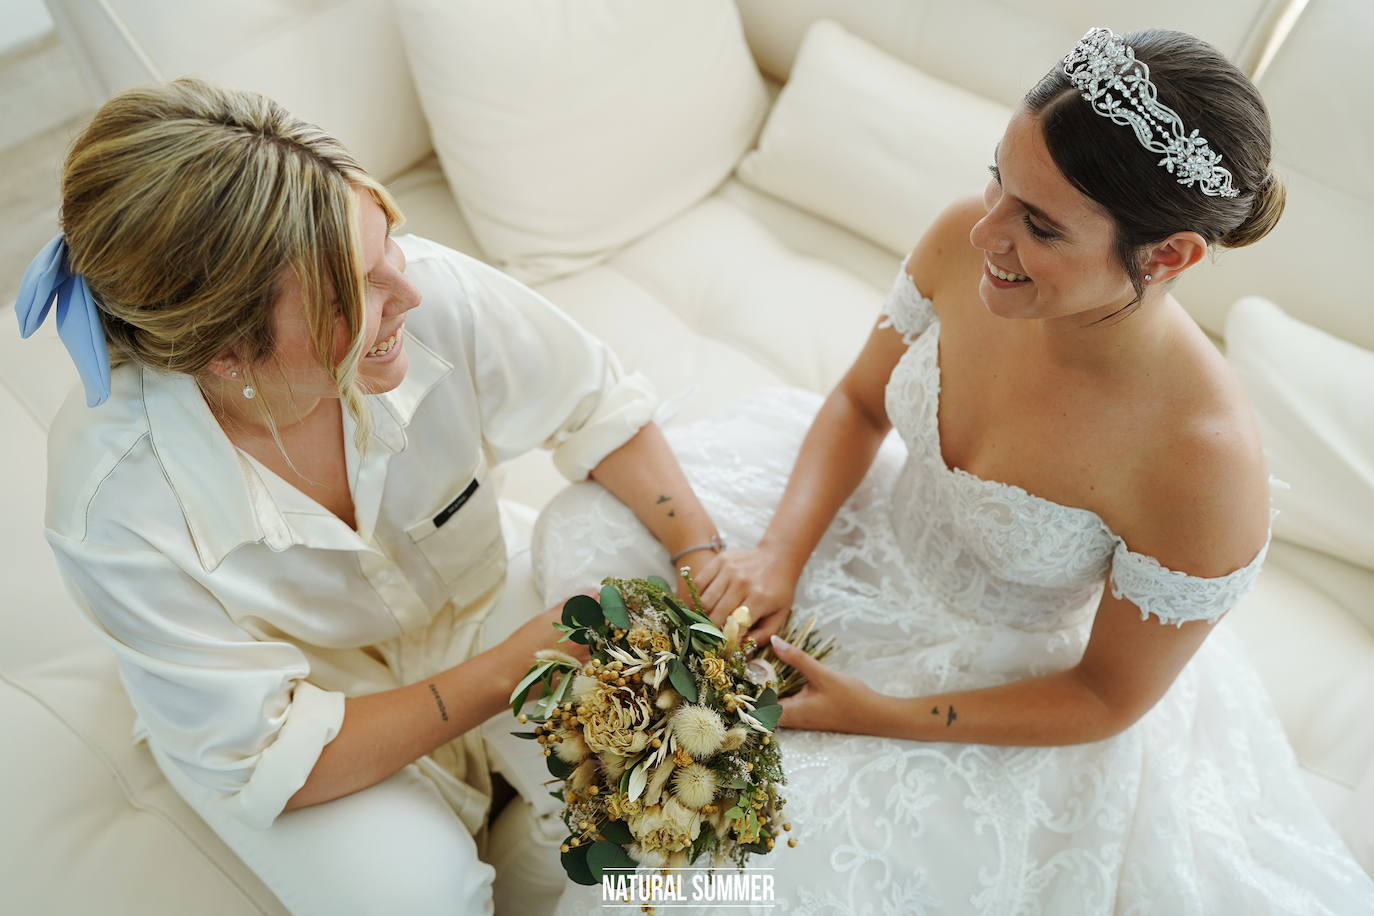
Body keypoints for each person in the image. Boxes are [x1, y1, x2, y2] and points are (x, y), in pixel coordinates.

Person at [534, 28, 1374, 913]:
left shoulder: (1201, 463)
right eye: (996, 182)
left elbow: (1106, 693)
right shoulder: (963, 243)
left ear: (1168, 256)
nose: (986, 233)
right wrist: (780, 554)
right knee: (588, 542)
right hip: (858, 533)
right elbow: (861, 405)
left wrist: (880, 716)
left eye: (1039, 225)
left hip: (1007, 682)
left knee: (745, 882)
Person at [20, 78, 727, 916]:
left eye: (389, 246)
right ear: (228, 356)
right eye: (358, 292)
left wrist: (701, 551)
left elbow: (592, 402)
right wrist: (512, 670)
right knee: (424, 897)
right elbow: (270, 752)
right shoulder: (113, 505)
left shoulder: (418, 290)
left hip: (473, 601)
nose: (411, 291)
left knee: (652, 806)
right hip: (303, 717)